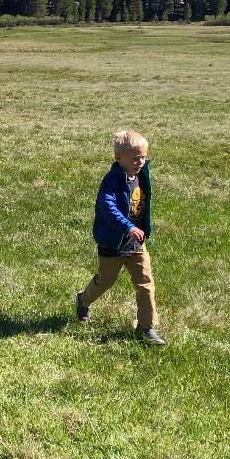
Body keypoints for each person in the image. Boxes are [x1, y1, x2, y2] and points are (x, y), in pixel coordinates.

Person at [76, 129, 165, 345]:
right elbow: (108, 207)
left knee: (145, 283)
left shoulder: (142, 175)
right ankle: (83, 299)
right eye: (135, 158)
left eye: (143, 157)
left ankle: (146, 328)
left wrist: (140, 228)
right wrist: (127, 226)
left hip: (135, 243)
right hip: (113, 244)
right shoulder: (111, 181)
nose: (140, 162)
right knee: (105, 282)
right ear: (119, 158)